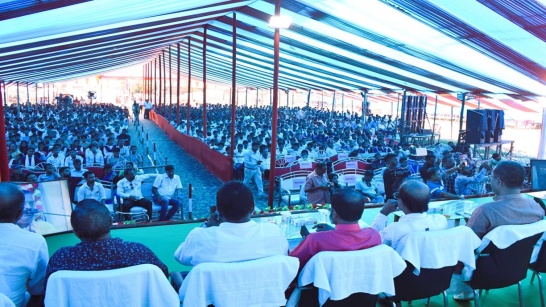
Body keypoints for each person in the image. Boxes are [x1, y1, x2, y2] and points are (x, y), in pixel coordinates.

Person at [45, 199, 168, 282]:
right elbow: (162, 275)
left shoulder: (61, 259)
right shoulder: (138, 252)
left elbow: (49, 291)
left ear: (75, 232)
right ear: (110, 222)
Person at [174, 182, 288, 266]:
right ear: (252, 207)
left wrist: (207, 226)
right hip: (266, 298)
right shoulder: (274, 232)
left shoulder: (199, 237)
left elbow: (180, 256)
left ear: (218, 209)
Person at [290, 190, 381, 270]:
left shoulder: (314, 240)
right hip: (365, 287)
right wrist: (332, 231)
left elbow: (292, 264)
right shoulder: (373, 235)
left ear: (335, 214)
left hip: (319, 288)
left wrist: (304, 241)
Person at [467, 161, 544, 239]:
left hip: (489, 251)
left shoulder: (484, 211)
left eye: (491, 177)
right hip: (527, 251)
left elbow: (468, 241)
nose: (490, 180)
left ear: (498, 181)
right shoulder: (536, 207)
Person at [0, 183, 49, 307]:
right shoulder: (35, 242)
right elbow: (38, 290)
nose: (29, 209)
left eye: (32, 204)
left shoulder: (44, 229)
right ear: (19, 213)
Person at [371, 180, 447, 250]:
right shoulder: (440, 220)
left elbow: (372, 242)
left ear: (402, 202)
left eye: (397, 195)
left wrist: (383, 213)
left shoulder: (394, 230)